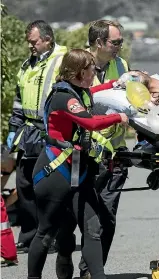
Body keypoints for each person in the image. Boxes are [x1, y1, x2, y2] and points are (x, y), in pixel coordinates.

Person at [27, 49, 128, 279]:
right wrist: (118, 117)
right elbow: (90, 122)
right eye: (93, 70)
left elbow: (92, 91)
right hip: (54, 172)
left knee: (93, 230)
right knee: (46, 232)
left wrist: (114, 84)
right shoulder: (64, 97)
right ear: (81, 71)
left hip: (78, 170)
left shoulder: (77, 91)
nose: (95, 74)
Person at [6, 20, 67, 255]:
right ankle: (31, 235)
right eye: (29, 42)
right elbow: (19, 100)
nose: (30, 46)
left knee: (47, 187)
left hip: (52, 131)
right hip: (30, 131)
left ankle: (50, 236)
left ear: (48, 39)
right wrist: (14, 129)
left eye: (34, 42)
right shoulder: (27, 64)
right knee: (24, 184)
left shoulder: (63, 59)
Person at [80, 19, 130, 279]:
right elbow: (76, 101)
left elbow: (133, 102)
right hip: (82, 154)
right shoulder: (77, 63)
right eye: (116, 42)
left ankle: (91, 272)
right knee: (84, 220)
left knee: (107, 219)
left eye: (121, 41)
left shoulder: (121, 65)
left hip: (114, 155)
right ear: (99, 43)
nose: (120, 47)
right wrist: (110, 86)